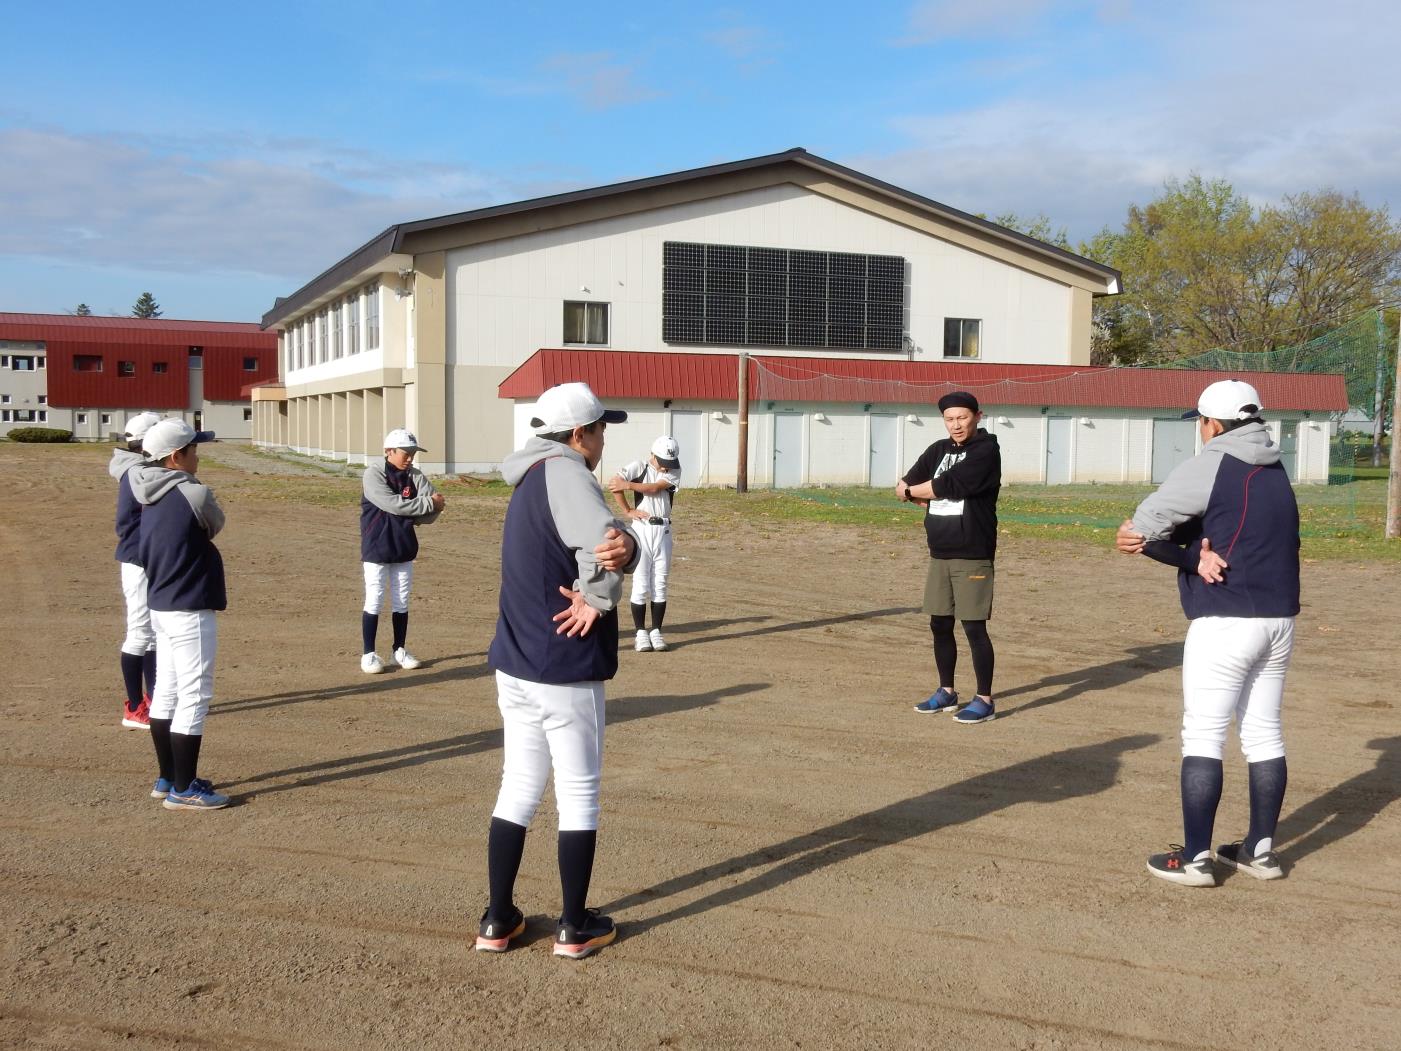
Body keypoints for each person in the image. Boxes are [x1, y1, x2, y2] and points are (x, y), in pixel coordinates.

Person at [476, 381, 638, 960]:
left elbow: (612, 543)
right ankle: (574, 925)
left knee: (518, 786)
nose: (602, 439)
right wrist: (596, 596)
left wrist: (624, 549)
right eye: (599, 428)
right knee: (578, 793)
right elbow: (605, 541)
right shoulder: (568, 473)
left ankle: (498, 919)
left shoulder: (528, 474)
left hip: (517, 659)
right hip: (561, 662)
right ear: (578, 435)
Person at [1117, 379, 1299, 887]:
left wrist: (1186, 558)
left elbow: (1141, 529)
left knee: (1203, 734)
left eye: (1200, 422)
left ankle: (1196, 858)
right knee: (1264, 733)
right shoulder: (1276, 465)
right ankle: (1260, 852)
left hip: (1226, 621)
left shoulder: (1214, 458)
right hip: (1278, 619)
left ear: (1212, 424)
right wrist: (1194, 551)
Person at [130, 418, 230, 810]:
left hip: (161, 601)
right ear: (176, 457)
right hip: (188, 605)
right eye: (193, 449)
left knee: (166, 693)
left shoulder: (145, 490)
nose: (197, 454)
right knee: (194, 694)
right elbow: (214, 524)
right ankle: (184, 788)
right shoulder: (192, 492)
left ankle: (169, 776)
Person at [897, 391, 1002, 724]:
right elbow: (903, 486)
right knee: (939, 623)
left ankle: (984, 699)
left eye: (963, 417)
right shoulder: (937, 450)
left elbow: (949, 485)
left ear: (978, 416)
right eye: (950, 419)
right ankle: (946, 692)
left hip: (972, 552)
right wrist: (919, 492)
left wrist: (923, 490)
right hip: (939, 552)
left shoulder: (986, 451)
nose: (956, 425)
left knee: (973, 627)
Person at [359, 429, 445, 674]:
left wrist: (420, 510)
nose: (410, 458)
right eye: (405, 453)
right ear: (389, 452)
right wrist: (423, 506)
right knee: (374, 598)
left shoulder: (415, 476)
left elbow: (436, 507)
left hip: (404, 546)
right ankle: (369, 654)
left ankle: (399, 650)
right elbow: (392, 504)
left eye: (413, 453)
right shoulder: (373, 474)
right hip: (376, 546)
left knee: (402, 600)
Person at [109, 411, 161, 730]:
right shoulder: (136, 473)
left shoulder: (142, 470)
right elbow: (129, 525)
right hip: (139, 560)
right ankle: (134, 706)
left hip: (150, 558)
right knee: (140, 632)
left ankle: (155, 698)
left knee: (153, 634)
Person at [609, 435, 681, 652]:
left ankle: (656, 631)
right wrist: (627, 510)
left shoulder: (674, 471)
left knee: (660, 583)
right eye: (663, 462)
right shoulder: (638, 466)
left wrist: (628, 485)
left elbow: (655, 488)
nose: (667, 467)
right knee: (641, 584)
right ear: (653, 455)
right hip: (642, 529)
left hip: (664, 530)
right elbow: (614, 484)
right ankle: (641, 632)